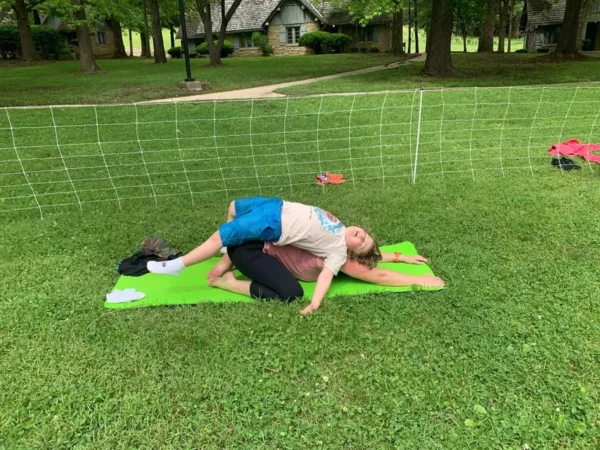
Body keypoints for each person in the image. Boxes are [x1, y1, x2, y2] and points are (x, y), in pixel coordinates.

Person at [148, 196, 381, 315]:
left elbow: (326, 277)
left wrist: (315, 303)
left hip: (272, 223)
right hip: (277, 205)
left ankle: (178, 264)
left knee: (220, 236)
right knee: (233, 207)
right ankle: (225, 253)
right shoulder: (340, 226)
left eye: (361, 243)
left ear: (350, 252)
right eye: (365, 235)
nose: (362, 236)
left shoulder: (338, 251)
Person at [208, 241, 445, 315]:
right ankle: (226, 282)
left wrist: (399, 257)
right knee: (289, 294)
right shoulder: (339, 255)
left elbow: (364, 256)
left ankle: (228, 264)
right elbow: (378, 276)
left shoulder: (337, 241)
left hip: (250, 246)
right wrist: (419, 281)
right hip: (250, 252)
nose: (361, 237)